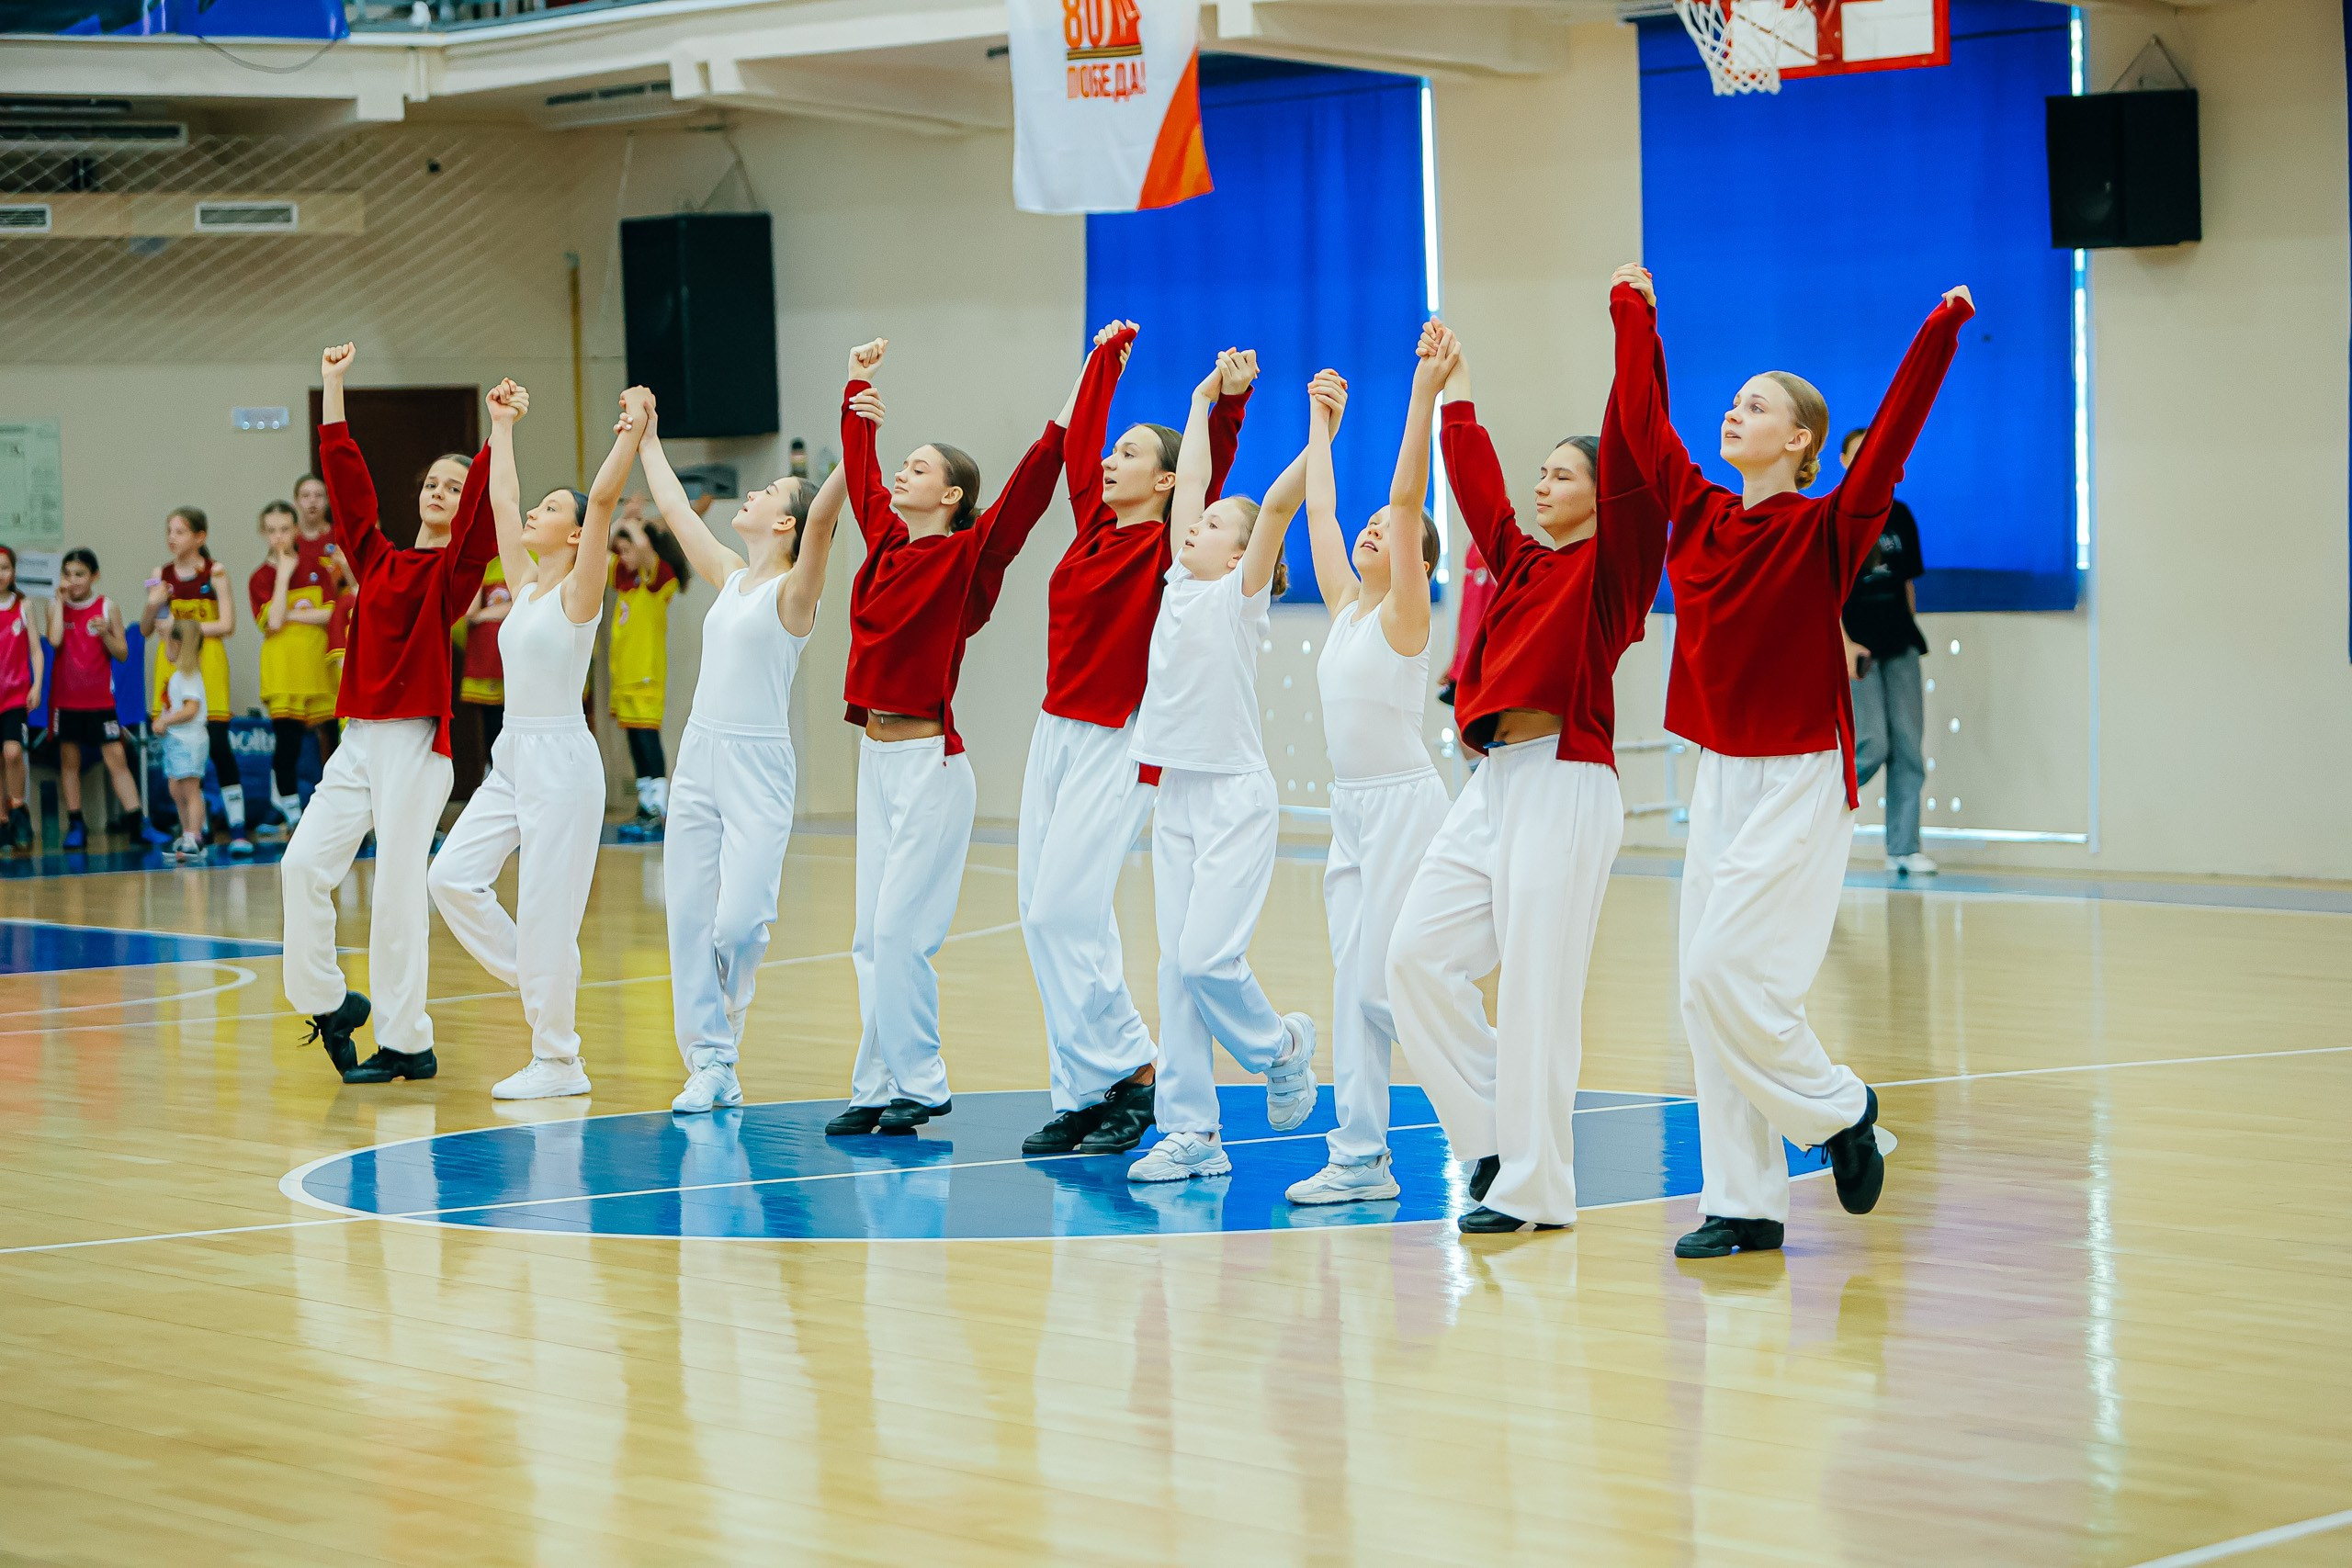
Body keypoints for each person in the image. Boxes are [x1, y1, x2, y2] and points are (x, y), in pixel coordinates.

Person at [1610, 265, 1973, 1259]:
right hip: (1719, 773)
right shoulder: (1701, 516)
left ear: (1801, 440)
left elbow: (1893, 437)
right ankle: (1743, 1203)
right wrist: (1634, 313)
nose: (1735, 413)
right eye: (1730, 403)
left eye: (1755, 405)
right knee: (1701, 989)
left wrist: (1938, 329)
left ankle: (1841, 1109)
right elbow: (1644, 428)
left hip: (1803, 773)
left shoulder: (1828, 526)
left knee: (1730, 971)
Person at [1387, 315, 1670, 1234]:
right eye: (1539, 472)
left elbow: (1635, 467)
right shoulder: (1521, 565)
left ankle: (1536, 1190)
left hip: (1567, 781)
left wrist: (1634, 329)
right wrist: (1454, 387)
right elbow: (1476, 496)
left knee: (1538, 992)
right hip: (1495, 784)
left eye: (1561, 473)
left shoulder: (1614, 571)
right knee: (1415, 962)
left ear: (1600, 495)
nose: (1541, 485)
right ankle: (1495, 1141)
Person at [1016, 319, 1253, 1158]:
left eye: (1129, 455)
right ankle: (1084, 1091)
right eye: (1111, 453)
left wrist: (1221, 405)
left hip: (1120, 735)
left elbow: (1207, 470)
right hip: (1055, 729)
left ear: (1162, 483)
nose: (1110, 462)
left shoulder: (1165, 546)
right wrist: (1100, 368)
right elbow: (1082, 447)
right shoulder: (1091, 529)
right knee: (1041, 916)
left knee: (1062, 911)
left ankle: (1133, 1070)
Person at [826, 337, 1067, 1137]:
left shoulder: (971, 557)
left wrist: (1070, 413)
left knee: (900, 933)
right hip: (876, 760)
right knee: (868, 936)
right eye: (906, 462)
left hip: (932, 768)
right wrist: (858, 391)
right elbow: (862, 477)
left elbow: (1032, 493)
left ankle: (922, 1082)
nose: (904, 472)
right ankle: (875, 1083)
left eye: (921, 467)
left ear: (955, 495)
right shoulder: (887, 548)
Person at [1124, 357, 1328, 1185]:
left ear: (1242, 551)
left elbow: (1276, 505)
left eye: (1210, 525)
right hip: (1175, 792)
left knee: (1208, 959)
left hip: (1236, 798)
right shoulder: (1178, 578)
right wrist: (1204, 397)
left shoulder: (1238, 594)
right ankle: (1194, 1133)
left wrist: (1320, 428)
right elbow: (1196, 478)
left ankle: (1280, 1047)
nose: (1192, 526)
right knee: (1176, 972)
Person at [280, 340, 496, 1085]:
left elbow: (482, 525)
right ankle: (331, 1002)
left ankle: (408, 1041)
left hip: (415, 746)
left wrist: (497, 436)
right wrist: (332, 387)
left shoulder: (454, 572)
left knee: (398, 889)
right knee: (303, 865)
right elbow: (347, 488)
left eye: (454, 485)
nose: (439, 490)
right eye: (432, 482)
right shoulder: (374, 557)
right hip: (359, 739)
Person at [428, 381, 645, 1100]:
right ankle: (543, 973)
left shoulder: (581, 592)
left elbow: (606, 501)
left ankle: (559, 1059)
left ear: (578, 535)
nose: (534, 511)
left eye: (552, 508)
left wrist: (629, 434)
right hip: (513, 758)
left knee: (551, 913)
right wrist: (503, 427)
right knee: (451, 876)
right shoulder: (522, 585)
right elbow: (496, 499)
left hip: (562, 763)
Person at [639, 408, 848, 1114]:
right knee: (688, 918)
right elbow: (672, 506)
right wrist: (648, 439)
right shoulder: (729, 575)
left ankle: (723, 1035)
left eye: (767, 495)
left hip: (758, 766)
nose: (750, 496)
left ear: (786, 523)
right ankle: (712, 1060)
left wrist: (852, 440)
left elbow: (823, 522)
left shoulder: (794, 594)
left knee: (737, 923)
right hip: (699, 754)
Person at [1286, 344, 1450, 1206]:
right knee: (1354, 986)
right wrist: (1321, 424)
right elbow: (1321, 506)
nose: (1371, 530)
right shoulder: (1348, 608)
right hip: (1350, 814)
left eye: (1390, 534)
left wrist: (1419, 391)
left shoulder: (1402, 612)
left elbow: (1406, 495)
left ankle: (1500, 1099)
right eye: (1370, 530)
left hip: (1405, 812)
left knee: (1395, 990)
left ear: (1418, 560)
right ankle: (1360, 1157)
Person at [1838, 425, 1935, 877]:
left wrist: (1910, 628)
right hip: (1858, 647)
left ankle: (1903, 847)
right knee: (1872, 743)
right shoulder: (1834, 515)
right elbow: (1825, 592)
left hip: (1900, 642)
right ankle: (1812, 816)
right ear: (1842, 461)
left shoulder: (1902, 515)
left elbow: (1906, 583)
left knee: (1908, 747)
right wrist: (1843, 644)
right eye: (1858, 456)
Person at [140, 506, 250, 855]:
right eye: (169, 531)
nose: (172, 538)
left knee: (218, 745)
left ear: (200, 537)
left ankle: (238, 826)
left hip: (208, 664)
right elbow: (147, 629)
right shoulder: (161, 574)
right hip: (170, 665)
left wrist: (179, 628)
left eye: (180, 532)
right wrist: (153, 607)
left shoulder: (215, 573)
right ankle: (193, 829)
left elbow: (228, 625)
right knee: (177, 751)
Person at [45, 550, 151, 851]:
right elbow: (54, 641)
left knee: (116, 760)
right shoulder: (56, 606)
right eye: (68, 574)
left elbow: (122, 652)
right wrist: (59, 605)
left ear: (94, 575)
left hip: (99, 700)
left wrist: (105, 633)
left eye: (79, 574)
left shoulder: (107, 606)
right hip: (65, 701)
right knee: (69, 762)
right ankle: (76, 824)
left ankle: (135, 822)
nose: (73, 581)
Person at [251, 500, 340, 834]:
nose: (279, 537)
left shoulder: (319, 566)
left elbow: (330, 613)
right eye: (271, 530)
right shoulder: (260, 577)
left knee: (331, 743)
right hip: (282, 671)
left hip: (318, 669)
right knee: (286, 747)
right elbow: (271, 623)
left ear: (296, 530)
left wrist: (288, 614)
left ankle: (336, 813)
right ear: (263, 532)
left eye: (285, 529)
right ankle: (293, 816)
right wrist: (284, 575)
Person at [607, 512, 686, 840]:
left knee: (647, 741)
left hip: (645, 677)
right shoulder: (625, 580)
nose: (622, 556)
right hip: (624, 678)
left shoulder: (658, 580)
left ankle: (659, 810)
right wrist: (621, 521)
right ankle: (645, 807)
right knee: (636, 745)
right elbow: (601, 546)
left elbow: (642, 547)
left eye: (628, 550)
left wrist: (635, 525)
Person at [0, 546, 44, 851]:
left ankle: (17, 807)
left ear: (13, 572)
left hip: (14, 694)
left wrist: (37, 685)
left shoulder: (23, 606)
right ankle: (2, 821)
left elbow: (35, 650)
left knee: (13, 753)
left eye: (4, 567)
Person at [156, 620, 211, 863]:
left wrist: (166, 720)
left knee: (190, 790)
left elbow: (191, 708)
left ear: (177, 645)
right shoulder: (180, 676)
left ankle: (195, 836)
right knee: (176, 789)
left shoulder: (188, 676)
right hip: (177, 741)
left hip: (189, 741)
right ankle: (187, 832)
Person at [458, 560, 511, 761]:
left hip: (513, 662)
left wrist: (483, 615)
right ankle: (494, 768)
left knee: (511, 718)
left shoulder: (527, 556)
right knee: (490, 720)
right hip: (485, 659)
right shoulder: (479, 565)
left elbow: (523, 603)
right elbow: (469, 613)